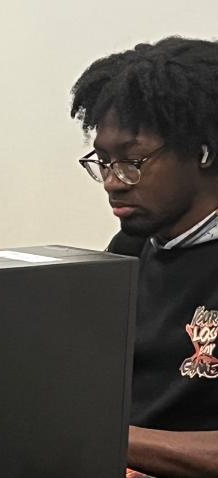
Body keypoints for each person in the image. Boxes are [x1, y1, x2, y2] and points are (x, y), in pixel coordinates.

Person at [71, 36, 218, 478]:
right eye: (102, 161)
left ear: (203, 151)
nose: (112, 182)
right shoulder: (130, 250)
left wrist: (101, 436)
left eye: (132, 161)